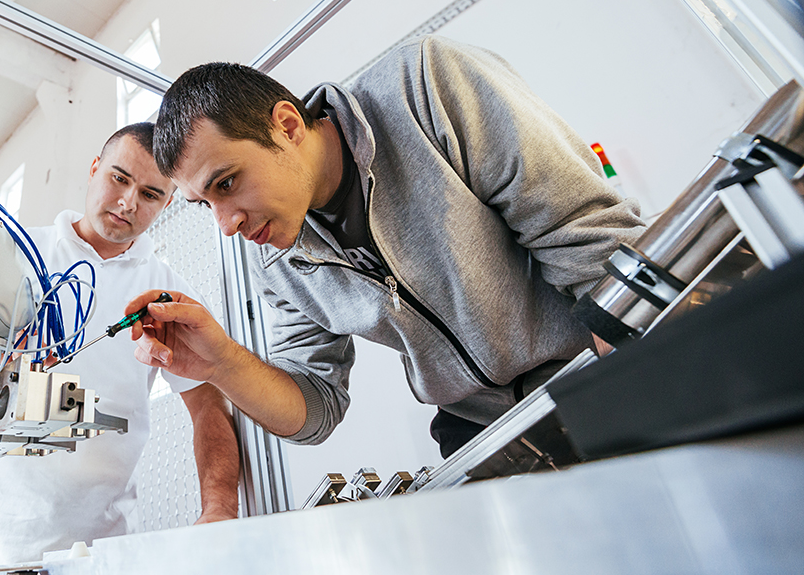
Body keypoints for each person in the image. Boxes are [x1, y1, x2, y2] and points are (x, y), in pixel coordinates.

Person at [124, 36, 645, 458]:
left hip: (595, 369)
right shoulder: (276, 260)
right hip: (481, 430)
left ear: (285, 126)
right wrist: (221, 365)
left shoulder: (425, 86)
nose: (227, 225)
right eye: (202, 204)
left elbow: (586, 239)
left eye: (227, 183)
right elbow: (316, 405)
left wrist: (632, 399)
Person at [0, 123, 239, 568]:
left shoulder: (167, 295)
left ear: (168, 203)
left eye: (150, 194)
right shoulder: (8, 252)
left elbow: (208, 405)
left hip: (90, 552)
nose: (128, 202)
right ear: (94, 168)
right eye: (119, 178)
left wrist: (220, 509)